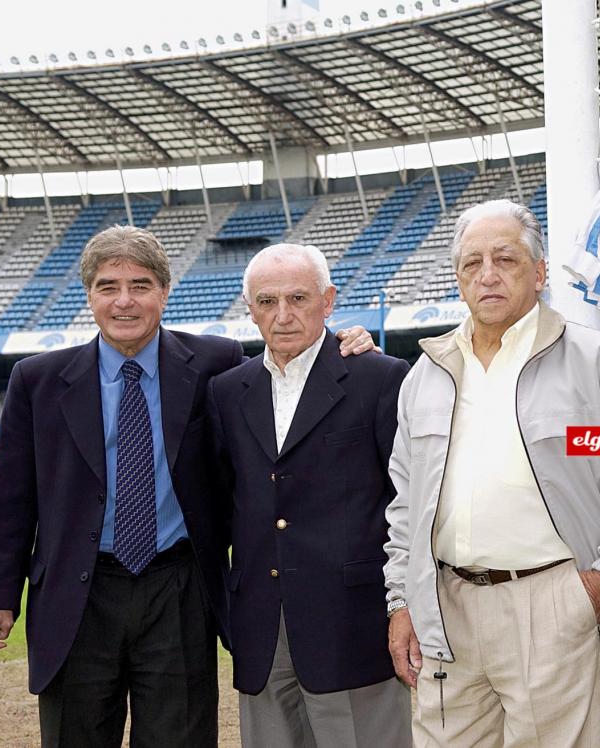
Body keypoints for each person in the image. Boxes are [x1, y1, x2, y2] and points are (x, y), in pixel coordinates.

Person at [0, 225, 372, 746]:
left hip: (179, 589)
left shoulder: (216, 363)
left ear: (165, 292)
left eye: (141, 285)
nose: (124, 301)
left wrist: (347, 342)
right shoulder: (36, 380)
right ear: (89, 295)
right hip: (76, 597)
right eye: (108, 286)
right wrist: (0, 595)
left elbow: (290, 377)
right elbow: (11, 501)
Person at [384, 199, 600, 747]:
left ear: (539, 272)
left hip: (551, 603)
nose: (487, 275)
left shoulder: (599, 362)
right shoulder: (426, 375)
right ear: (457, 278)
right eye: (472, 263)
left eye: (506, 259)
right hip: (446, 609)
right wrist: (402, 601)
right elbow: (404, 503)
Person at [206, 243, 410, 747]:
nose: (283, 315)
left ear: (329, 300)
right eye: (267, 301)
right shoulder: (227, 392)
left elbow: (408, 502)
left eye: (298, 297)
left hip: (353, 624)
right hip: (260, 628)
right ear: (249, 309)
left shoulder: (381, 378)